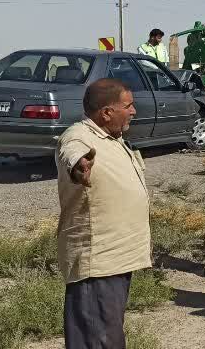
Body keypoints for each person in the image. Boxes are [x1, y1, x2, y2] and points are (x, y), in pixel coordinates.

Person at [56, 78, 152, 349]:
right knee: (98, 339)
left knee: (107, 333)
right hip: (97, 260)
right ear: (106, 112)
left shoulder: (112, 138)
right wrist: (78, 166)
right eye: (128, 106)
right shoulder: (79, 135)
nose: (133, 111)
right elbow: (71, 152)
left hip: (116, 258)